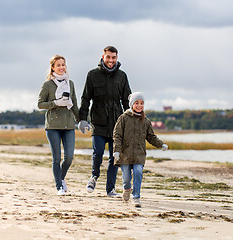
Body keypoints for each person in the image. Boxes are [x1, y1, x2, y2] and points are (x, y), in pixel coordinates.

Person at [78, 46, 132, 197]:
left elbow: (127, 100)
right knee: (98, 152)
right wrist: (82, 119)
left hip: (117, 122)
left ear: (117, 58)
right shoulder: (92, 75)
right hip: (98, 121)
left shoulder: (122, 76)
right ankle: (94, 176)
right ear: (103, 57)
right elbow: (85, 98)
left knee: (115, 157)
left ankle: (110, 189)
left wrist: (131, 118)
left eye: (113, 57)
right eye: (108, 57)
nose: (111, 60)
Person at [113, 92, 168, 207]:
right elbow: (117, 135)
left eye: (142, 103)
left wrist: (161, 144)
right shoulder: (123, 118)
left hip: (139, 154)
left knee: (138, 172)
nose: (139, 105)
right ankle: (127, 188)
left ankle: (136, 196)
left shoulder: (146, 121)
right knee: (126, 178)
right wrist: (117, 150)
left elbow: (151, 137)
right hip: (125, 154)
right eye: (137, 103)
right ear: (132, 104)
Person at [38, 55, 80, 196]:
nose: (62, 67)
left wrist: (81, 120)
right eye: (58, 65)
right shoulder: (47, 84)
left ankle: (61, 179)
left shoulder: (70, 83)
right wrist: (55, 103)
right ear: (53, 67)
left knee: (69, 157)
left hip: (68, 125)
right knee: (57, 158)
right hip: (53, 126)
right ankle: (59, 187)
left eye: (63, 64)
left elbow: (74, 104)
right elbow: (40, 104)